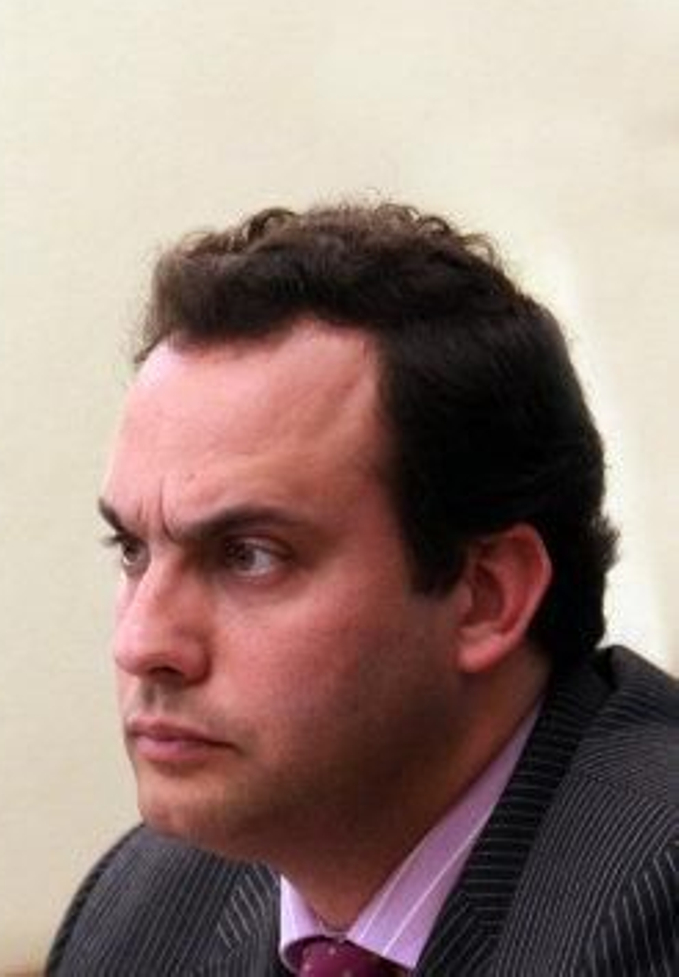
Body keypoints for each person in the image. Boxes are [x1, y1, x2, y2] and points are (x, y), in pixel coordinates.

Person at [47, 203, 678, 976]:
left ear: (486, 597)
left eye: (249, 556)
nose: (142, 643)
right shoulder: (145, 908)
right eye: (134, 550)